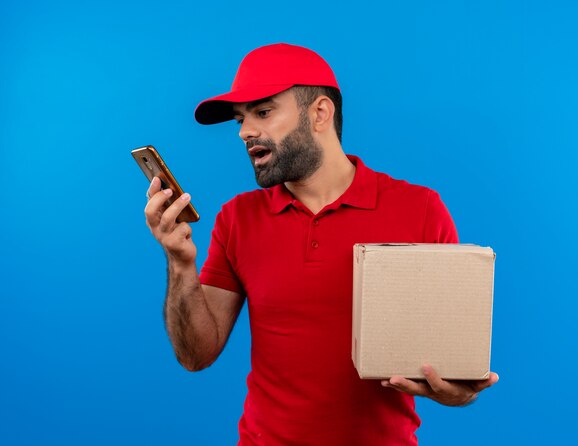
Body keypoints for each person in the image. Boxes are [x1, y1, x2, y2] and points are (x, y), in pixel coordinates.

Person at [144, 43, 498, 445]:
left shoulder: (420, 210)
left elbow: (452, 364)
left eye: (263, 112)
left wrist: (457, 392)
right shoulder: (237, 219)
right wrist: (179, 262)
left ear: (320, 114)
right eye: (241, 120)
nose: (244, 131)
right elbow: (196, 355)